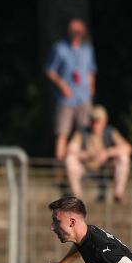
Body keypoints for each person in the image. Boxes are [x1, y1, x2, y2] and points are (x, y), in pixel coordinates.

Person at [45, 18, 97, 161]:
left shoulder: (87, 49)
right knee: (62, 133)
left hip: (84, 97)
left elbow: (91, 71)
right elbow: (50, 71)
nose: (76, 33)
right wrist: (62, 86)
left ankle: (83, 167)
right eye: (73, 30)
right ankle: (60, 169)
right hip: (66, 98)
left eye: (79, 30)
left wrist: (92, 87)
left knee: (85, 133)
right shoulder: (59, 48)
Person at [64, 105, 132, 204]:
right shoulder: (82, 132)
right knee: (70, 159)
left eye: (98, 121)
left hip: (106, 168)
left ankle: (118, 194)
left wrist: (107, 153)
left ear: (104, 121)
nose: (95, 124)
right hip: (85, 168)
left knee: (124, 157)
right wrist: (88, 155)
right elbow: (70, 150)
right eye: (93, 120)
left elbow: (128, 148)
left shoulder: (110, 131)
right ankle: (77, 196)